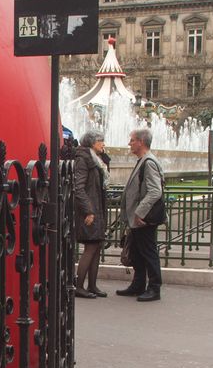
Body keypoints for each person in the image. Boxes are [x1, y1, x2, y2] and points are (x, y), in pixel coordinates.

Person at [117, 127, 165, 302]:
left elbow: (155, 192)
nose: (129, 143)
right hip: (137, 218)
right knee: (137, 252)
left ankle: (154, 288)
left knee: (148, 252)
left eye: (132, 140)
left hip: (143, 218)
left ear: (141, 142)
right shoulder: (142, 161)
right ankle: (138, 285)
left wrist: (140, 212)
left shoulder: (149, 162)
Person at [70, 132, 110, 298]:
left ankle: (92, 285)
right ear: (92, 143)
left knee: (97, 245)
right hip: (89, 211)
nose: (103, 144)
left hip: (96, 208)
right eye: (101, 141)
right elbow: (78, 187)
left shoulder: (95, 158)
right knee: (91, 246)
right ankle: (79, 286)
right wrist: (88, 210)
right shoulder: (83, 159)